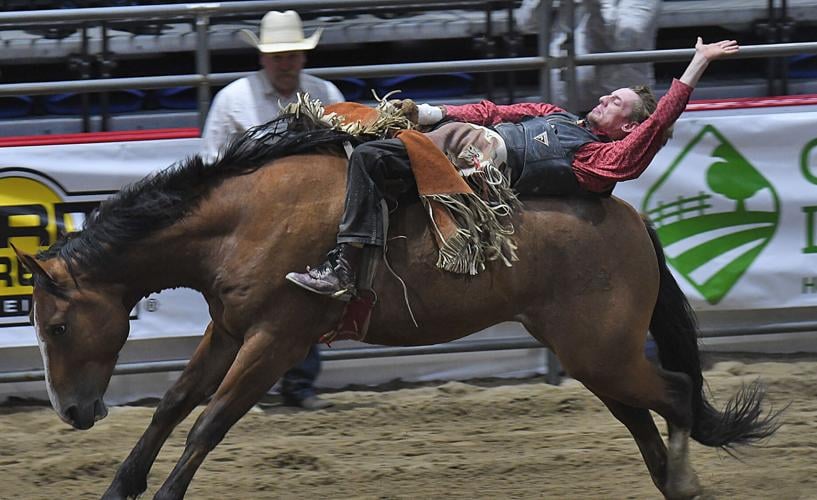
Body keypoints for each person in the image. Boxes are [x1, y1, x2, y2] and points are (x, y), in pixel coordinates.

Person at [285, 37, 739, 299]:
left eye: (616, 102)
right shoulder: (557, 115)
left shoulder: (597, 160)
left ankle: (345, 269)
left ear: (629, 128)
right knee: (364, 133)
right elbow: (493, 112)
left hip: (474, 171)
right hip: (456, 143)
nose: (603, 99)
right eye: (608, 95)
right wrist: (427, 113)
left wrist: (696, 65)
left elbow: (658, 127)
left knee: (368, 157)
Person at [202, 10, 343, 410]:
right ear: (264, 57)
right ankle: (237, 388)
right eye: (279, 55)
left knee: (305, 299)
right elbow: (211, 166)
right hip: (247, 221)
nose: (285, 62)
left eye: (292, 55)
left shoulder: (326, 95)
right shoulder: (233, 100)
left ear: (302, 57)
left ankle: (295, 384)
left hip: (309, 217)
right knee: (243, 302)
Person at [515, 0, 662, 113]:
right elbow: (526, 24)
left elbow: (626, 38)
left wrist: (594, 5)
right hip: (564, 104)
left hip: (622, 110)